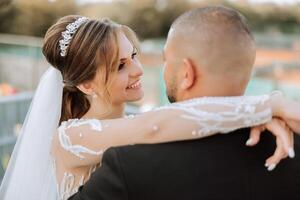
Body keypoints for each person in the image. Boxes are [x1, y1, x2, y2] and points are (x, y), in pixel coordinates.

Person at [0, 9, 299, 200]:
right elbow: (157, 125)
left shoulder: (137, 123)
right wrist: (263, 107)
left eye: (134, 56)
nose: (138, 70)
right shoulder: (71, 138)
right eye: (119, 66)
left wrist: (259, 111)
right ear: (86, 84)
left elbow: (167, 121)